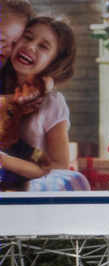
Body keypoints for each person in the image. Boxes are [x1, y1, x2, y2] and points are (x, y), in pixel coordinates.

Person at [0, 14, 86, 192]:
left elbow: (59, 167)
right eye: (28, 37)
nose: (30, 46)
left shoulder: (51, 102)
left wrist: (6, 161)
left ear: (54, 62)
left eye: (43, 46)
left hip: (27, 195)